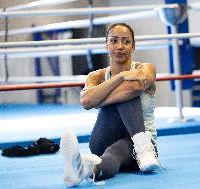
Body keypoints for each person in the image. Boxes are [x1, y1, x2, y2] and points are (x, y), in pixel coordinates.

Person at [60, 23, 160, 187]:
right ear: (106, 45)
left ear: (133, 46)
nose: (120, 46)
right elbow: (85, 101)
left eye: (126, 42)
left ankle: (85, 168)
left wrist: (100, 101)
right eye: (114, 41)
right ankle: (138, 147)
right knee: (124, 89)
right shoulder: (96, 76)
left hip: (139, 147)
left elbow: (135, 87)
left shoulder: (146, 68)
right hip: (102, 139)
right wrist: (119, 77)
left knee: (114, 153)